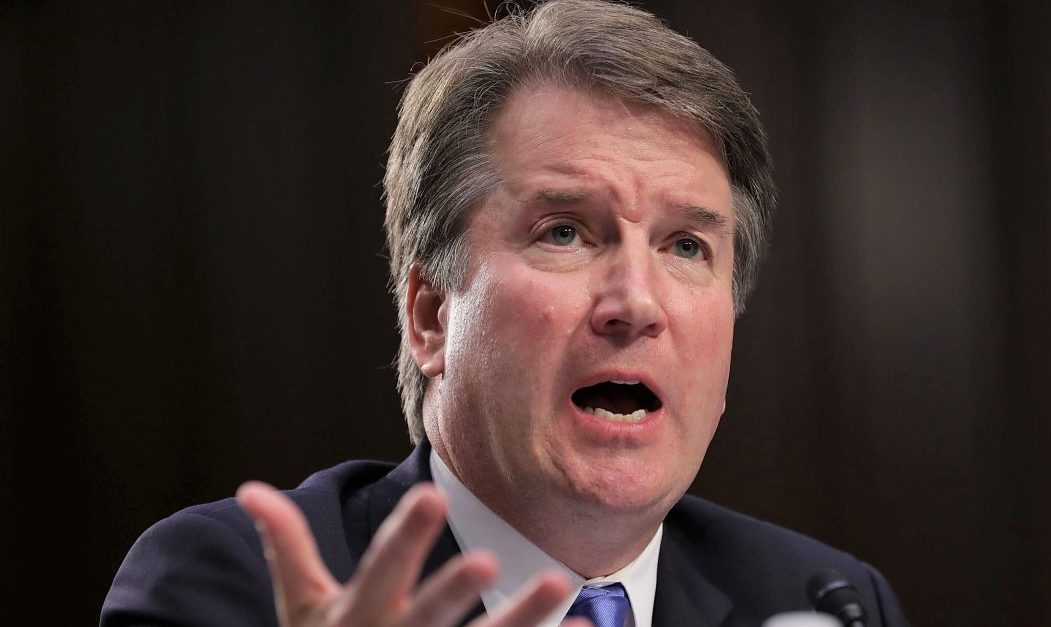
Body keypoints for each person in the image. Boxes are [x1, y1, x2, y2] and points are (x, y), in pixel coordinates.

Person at [101, 1, 909, 626]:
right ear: (428, 315)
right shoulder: (235, 586)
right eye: (564, 232)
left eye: (687, 246)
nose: (636, 303)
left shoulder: (823, 599)